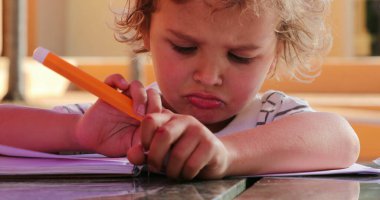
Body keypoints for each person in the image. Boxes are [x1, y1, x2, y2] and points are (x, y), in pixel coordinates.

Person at [0, 0, 360, 180]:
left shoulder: (271, 118)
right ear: (145, 32)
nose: (208, 76)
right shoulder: (129, 117)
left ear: (275, 54)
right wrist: (75, 133)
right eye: (185, 48)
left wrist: (223, 154)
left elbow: (342, 138)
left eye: (240, 56)